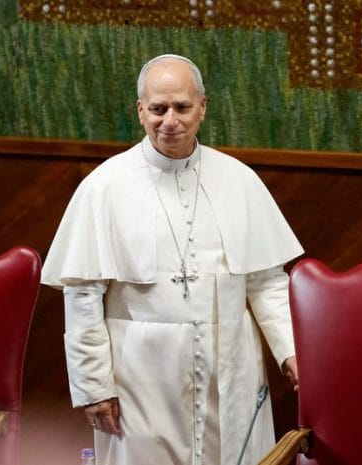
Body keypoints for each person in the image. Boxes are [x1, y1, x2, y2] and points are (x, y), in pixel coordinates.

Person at [41, 54, 303, 465]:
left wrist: (292, 353)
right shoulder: (104, 186)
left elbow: (267, 282)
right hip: (140, 377)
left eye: (182, 107)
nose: (170, 121)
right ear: (140, 110)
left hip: (229, 366)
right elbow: (82, 294)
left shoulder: (239, 180)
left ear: (202, 107)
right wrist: (94, 386)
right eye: (158, 109)